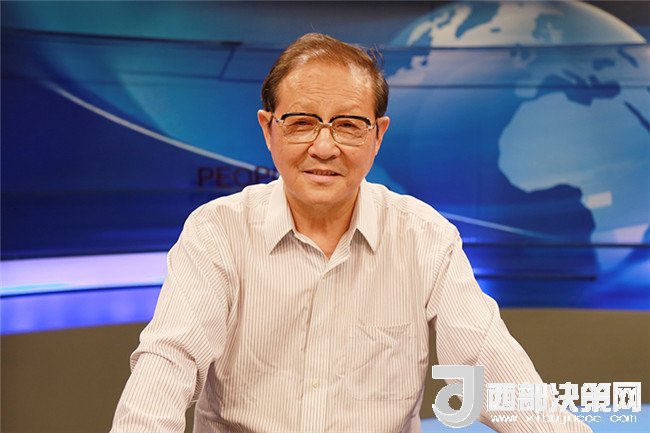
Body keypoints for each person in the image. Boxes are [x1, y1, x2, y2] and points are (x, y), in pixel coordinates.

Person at [111, 33, 591, 433]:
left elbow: (488, 371)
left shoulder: (424, 238)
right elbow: (168, 364)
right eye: (301, 123)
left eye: (348, 125)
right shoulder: (217, 232)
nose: (324, 147)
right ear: (269, 129)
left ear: (378, 134)